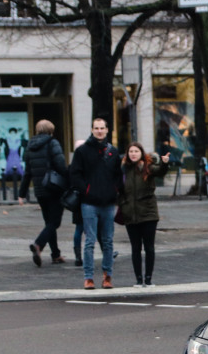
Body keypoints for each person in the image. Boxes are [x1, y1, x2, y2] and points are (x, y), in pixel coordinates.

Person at [69, 117, 124, 290]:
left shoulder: (113, 152)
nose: (99, 131)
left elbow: (118, 175)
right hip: (89, 203)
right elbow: (74, 174)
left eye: (102, 128)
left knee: (108, 241)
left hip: (108, 203)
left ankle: (107, 276)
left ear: (107, 130)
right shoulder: (83, 151)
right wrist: (86, 190)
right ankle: (88, 277)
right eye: (96, 128)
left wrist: (115, 190)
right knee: (90, 241)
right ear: (92, 130)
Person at [18, 119, 69, 267]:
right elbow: (60, 164)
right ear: (51, 130)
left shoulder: (30, 146)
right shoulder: (53, 143)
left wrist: (22, 193)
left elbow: (27, 172)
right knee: (55, 222)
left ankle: (55, 254)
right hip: (54, 188)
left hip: (40, 190)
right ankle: (39, 244)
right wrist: (69, 180)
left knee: (49, 222)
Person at [118, 142, 169, 287]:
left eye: (136, 151)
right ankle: (138, 279)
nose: (133, 154)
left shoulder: (147, 167)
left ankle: (148, 278)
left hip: (148, 214)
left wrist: (164, 164)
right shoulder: (123, 170)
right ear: (127, 154)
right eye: (131, 151)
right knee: (135, 248)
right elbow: (119, 189)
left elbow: (160, 171)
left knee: (149, 247)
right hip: (130, 214)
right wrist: (123, 204)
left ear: (141, 153)